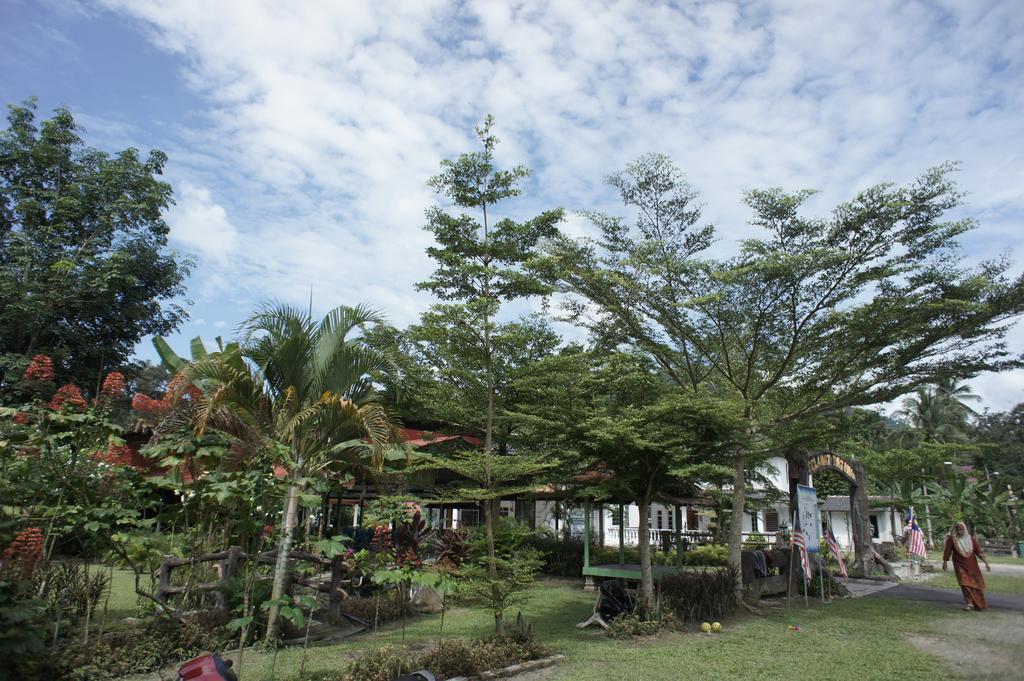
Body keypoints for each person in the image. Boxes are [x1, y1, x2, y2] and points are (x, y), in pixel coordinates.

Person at [942, 521, 991, 611]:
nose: (959, 531)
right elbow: (947, 550)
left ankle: (978, 604)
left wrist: (986, 563)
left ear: (965, 529)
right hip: (959, 564)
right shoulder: (952, 539)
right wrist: (945, 562)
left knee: (975, 584)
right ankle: (969, 603)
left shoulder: (971, 539)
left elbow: (979, 552)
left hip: (972, 565)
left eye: (961, 529)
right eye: (957, 529)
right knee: (964, 583)